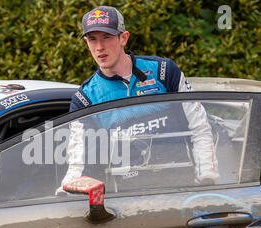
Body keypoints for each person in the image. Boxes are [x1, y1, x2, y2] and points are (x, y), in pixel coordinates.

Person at [58, 6, 219, 194]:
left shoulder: (164, 72)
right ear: (86, 41)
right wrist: (67, 189)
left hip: (182, 190)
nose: (99, 47)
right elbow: (78, 162)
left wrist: (208, 180)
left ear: (123, 38)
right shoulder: (85, 98)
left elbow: (199, 127)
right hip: (128, 199)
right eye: (92, 39)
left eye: (107, 38)